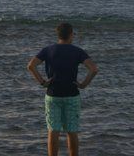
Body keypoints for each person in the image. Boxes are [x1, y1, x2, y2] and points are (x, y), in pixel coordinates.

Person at [27, 23, 99, 156]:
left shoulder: (48, 50)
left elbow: (31, 66)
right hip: (72, 94)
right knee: (72, 131)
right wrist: (83, 84)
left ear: (58, 35)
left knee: (53, 130)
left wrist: (42, 82)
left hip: (53, 94)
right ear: (71, 34)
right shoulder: (77, 51)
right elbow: (94, 69)